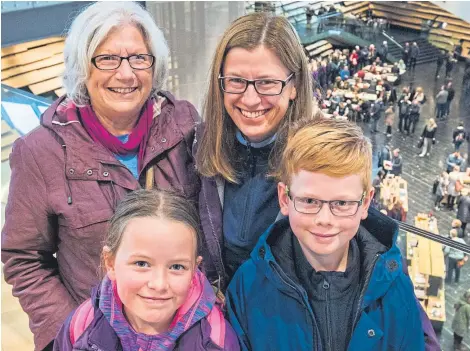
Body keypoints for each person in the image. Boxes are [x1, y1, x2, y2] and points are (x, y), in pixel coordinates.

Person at [1, 3, 201, 351]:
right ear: (82, 68)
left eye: (139, 58)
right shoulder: (40, 152)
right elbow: (24, 259)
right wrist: (72, 332)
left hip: (186, 331)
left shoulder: (183, 126)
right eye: (107, 59)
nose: (126, 74)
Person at [226, 119, 426, 350]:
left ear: (366, 204)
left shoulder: (395, 291)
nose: (325, 219)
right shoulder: (247, 286)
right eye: (309, 201)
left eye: (341, 203)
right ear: (284, 199)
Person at [195, 12, 321, 290]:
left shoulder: (322, 162)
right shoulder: (197, 147)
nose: (250, 99)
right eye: (236, 81)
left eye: (267, 83)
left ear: (294, 86)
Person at [53, 189, 240, 351]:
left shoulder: (215, 339)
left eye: (177, 267)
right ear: (110, 263)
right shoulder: (83, 324)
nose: (159, 284)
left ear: (194, 269)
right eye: (141, 264)